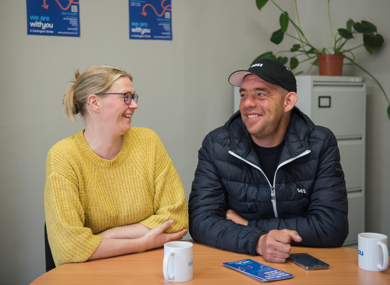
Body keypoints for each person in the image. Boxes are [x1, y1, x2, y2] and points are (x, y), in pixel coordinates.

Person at [188, 59, 348, 263]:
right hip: (240, 262)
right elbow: (201, 221)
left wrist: (248, 225)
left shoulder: (320, 144)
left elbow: (331, 227)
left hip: (303, 264)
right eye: (243, 94)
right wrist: (257, 241)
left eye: (261, 94)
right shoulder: (217, 145)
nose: (247, 103)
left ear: (288, 101)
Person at [45, 65, 188, 267]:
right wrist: (141, 243)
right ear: (95, 102)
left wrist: (109, 235)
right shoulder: (63, 156)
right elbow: (69, 247)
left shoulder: (148, 141)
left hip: (149, 270)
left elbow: (177, 220)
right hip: (92, 276)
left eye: (133, 97)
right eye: (125, 97)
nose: (134, 105)